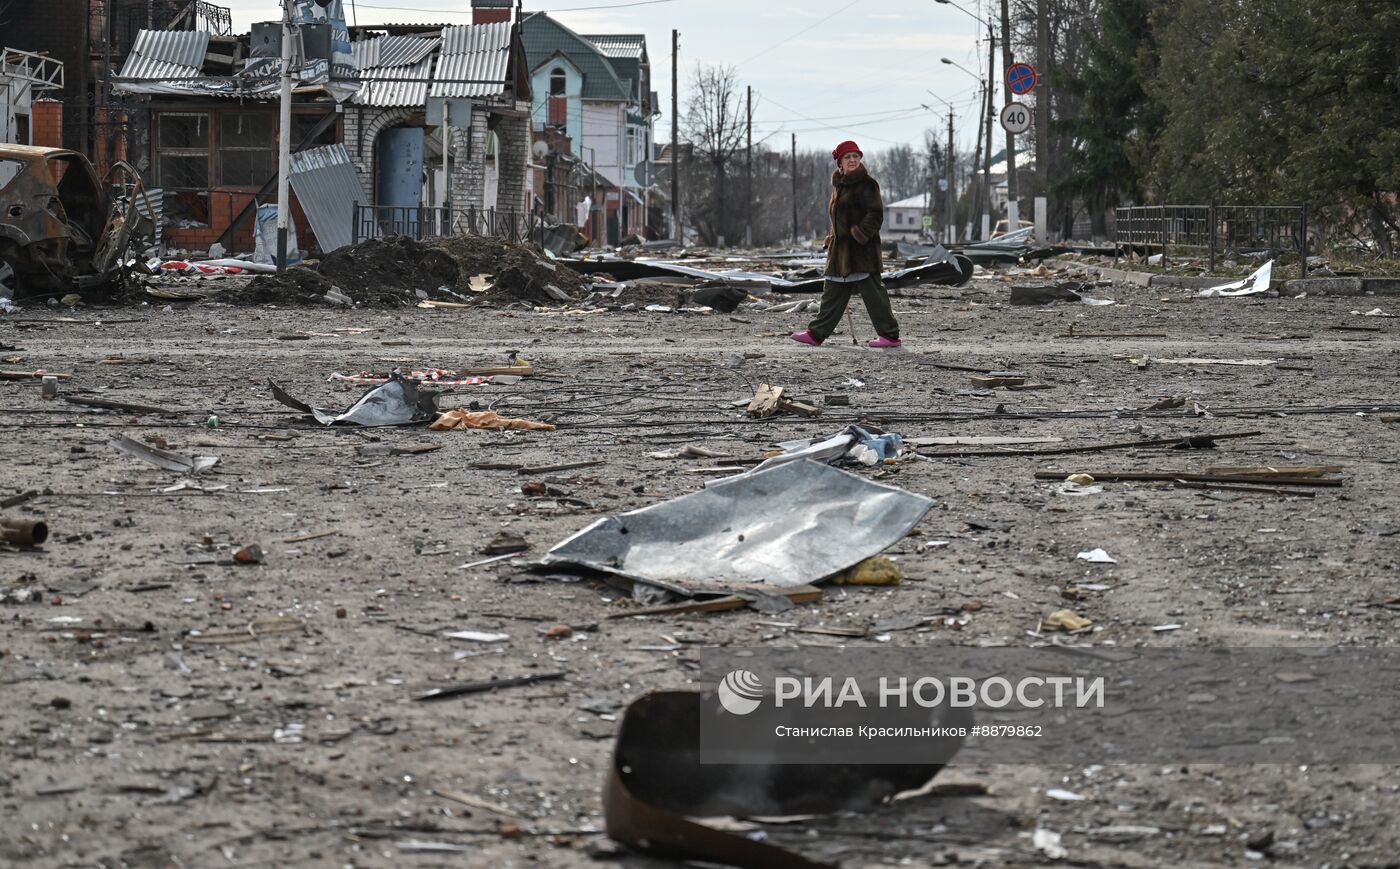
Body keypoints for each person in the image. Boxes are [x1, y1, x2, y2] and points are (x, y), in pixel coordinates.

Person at [791, 140, 901, 349]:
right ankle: (816, 333)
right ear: (840, 162)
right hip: (839, 251)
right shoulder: (839, 186)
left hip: (862, 251)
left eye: (855, 156)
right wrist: (832, 237)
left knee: (874, 294)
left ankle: (890, 336)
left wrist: (858, 235)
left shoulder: (867, 183)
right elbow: (839, 218)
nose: (852, 160)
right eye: (847, 157)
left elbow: (875, 215)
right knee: (832, 292)